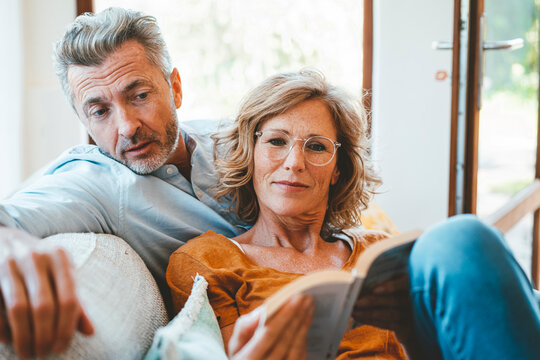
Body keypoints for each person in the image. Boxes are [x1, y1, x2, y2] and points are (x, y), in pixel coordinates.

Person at [0, 7, 313, 359]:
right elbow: (10, 216)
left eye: (139, 95)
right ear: (84, 122)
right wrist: (10, 244)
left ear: (175, 88)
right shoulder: (97, 183)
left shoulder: (235, 139)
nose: (126, 126)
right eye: (100, 111)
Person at [167, 70, 540, 359]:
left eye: (316, 147)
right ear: (251, 153)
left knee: (461, 239)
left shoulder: (382, 254)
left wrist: (406, 328)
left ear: (339, 170)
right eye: (276, 141)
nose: (294, 163)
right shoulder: (207, 261)